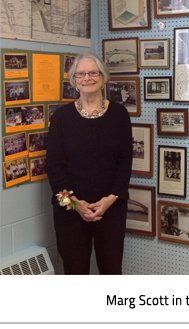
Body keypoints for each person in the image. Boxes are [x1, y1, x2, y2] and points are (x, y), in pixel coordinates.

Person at [46, 52, 133, 275]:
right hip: (70, 211)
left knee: (111, 270)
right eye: (81, 73)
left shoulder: (119, 115)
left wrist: (110, 199)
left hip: (111, 208)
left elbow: (125, 163)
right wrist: (74, 203)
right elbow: (54, 169)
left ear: (103, 77)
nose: (87, 78)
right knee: (75, 273)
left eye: (93, 72)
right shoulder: (61, 118)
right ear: (73, 79)